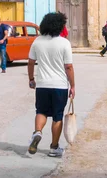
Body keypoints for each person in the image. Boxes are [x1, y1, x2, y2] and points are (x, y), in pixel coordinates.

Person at [27, 12, 75, 157]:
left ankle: (37, 132)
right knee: (57, 116)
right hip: (59, 86)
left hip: (42, 85)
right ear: (60, 26)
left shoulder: (37, 41)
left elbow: (30, 62)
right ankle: (54, 148)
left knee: (41, 111)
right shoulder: (64, 43)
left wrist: (31, 79)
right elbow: (69, 67)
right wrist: (72, 86)